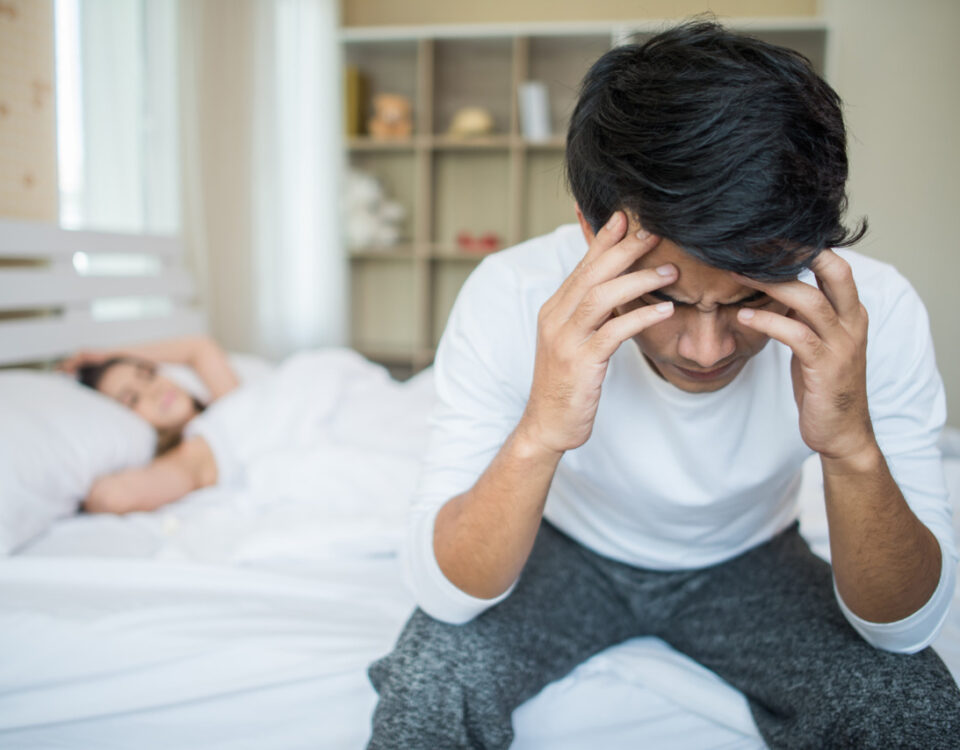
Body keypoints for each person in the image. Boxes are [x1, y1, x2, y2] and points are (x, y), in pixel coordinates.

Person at [366, 20, 960, 749]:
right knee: (428, 684)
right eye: (669, 301)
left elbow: (903, 630)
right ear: (592, 228)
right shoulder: (512, 293)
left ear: (810, 245)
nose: (706, 350)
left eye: (752, 297)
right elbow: (445, 597)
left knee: (913, 706)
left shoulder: (875, 311)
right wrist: (542, 429)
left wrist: (850, 447)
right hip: (563, 553)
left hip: (751, 562)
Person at [59, 335, 239, 514]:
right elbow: (111, 498)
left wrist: (108, 355)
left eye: (147, 374)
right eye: (132, 399)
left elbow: (199, 347)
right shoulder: (193, 454)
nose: (154, 390)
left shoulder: (230, 402)